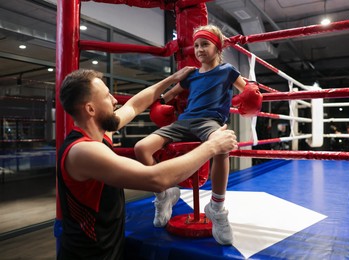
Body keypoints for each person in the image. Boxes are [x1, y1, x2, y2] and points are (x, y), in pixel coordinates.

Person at [56, 67, 238, 260]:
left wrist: (172, 79)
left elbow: (134, 106)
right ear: (90, 109)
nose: (115, 100)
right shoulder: (83, 151)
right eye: (107, 96)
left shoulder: (100, 134)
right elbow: (156, 178)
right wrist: (212, 146)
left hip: (108, 250)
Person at [134, 24, 262, 245]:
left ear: (217, 46)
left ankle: (217, 207)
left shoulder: (227, 71)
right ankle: (164, 195)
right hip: (183, 123)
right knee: (141, 148)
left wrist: (251, 96)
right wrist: (159, 106)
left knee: (222, 148)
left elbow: (248, 90)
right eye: (196, 45)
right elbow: (168, 97)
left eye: (205, 44)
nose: (200, 49)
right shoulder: (191, 76)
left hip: (209, 123)